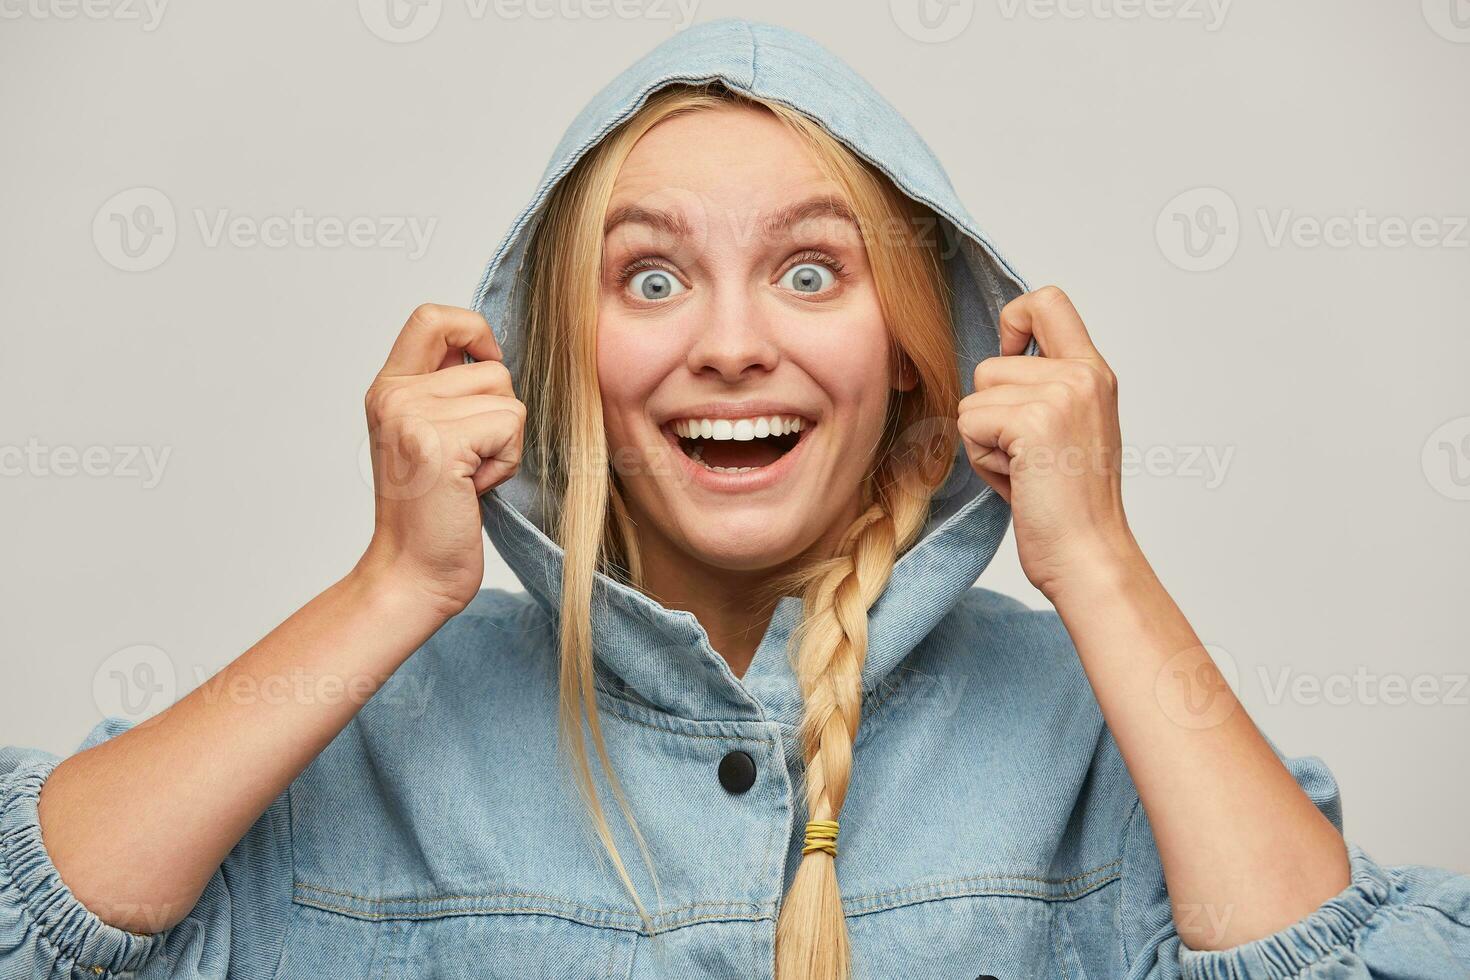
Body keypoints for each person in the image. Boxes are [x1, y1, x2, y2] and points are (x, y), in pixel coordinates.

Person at [2, 18, 1466, 980]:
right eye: (649, 277)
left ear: (909, 354)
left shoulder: (1095, 729)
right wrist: (393, 586)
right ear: (561, 362)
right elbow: (41, 933)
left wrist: (1098, 561)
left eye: (811, 272)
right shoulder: (373, 727)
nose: (726, 342)